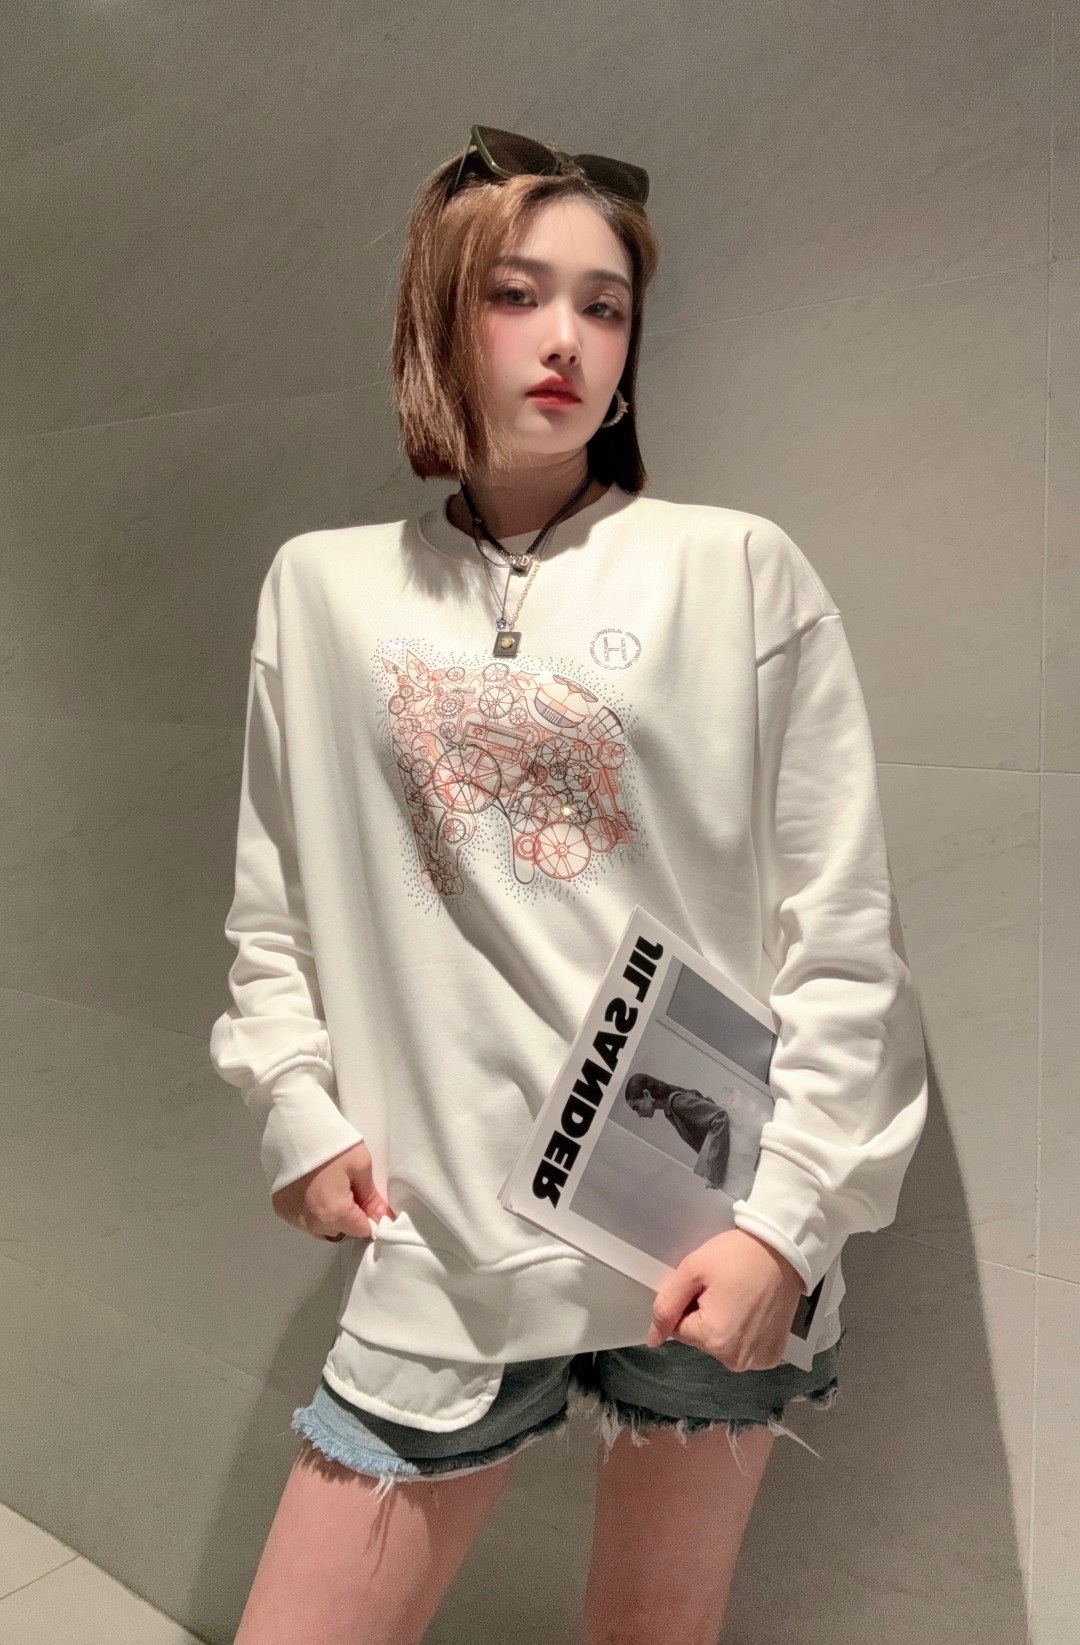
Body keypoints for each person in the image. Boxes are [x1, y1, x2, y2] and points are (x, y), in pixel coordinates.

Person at [209, 124, 929, 1645]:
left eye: (605, 307)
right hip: (448, 1239)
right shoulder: (321, 587)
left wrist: (786, 1225)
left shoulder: (737, 568)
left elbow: (843, 935)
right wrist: (295, 1103)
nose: (567, 340)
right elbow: (275, 910)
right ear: (437, 315)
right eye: (518, 294)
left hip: (708, 1227)